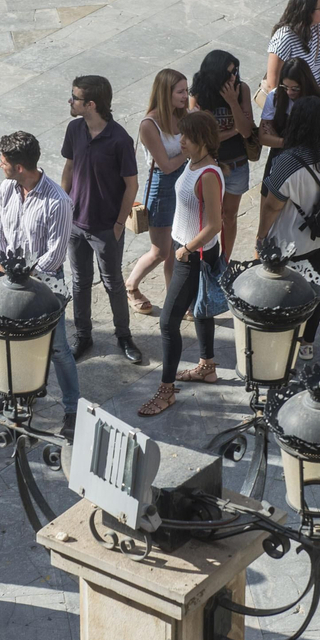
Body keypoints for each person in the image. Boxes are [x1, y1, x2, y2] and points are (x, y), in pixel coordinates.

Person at [0, 130, 80, 439]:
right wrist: (5, 271)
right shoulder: (6, 189)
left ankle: (72, 409)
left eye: (2, 161)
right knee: (14, 344)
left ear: (19, 166)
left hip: (45, 288)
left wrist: (22, 281)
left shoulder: (58, 201)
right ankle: (18, 395)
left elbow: (54, 257)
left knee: (57, 349)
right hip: (11, 283)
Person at [139, 110, 225, 417]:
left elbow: (215, 223)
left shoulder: (209, 175)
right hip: (188, 249)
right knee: (201, 310)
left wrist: (186, 248)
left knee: (167, 322)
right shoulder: (194, 163)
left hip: (193, 255)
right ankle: (208, 367)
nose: (181, 141)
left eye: (186, 137)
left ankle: (166, 392)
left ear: (201, 140)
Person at [61, 74, 143, 365]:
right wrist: (63, 209)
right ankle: (83, 335)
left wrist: (120, 223)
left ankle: (124, 336)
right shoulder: (74, 129)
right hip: (75, 224)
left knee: (113, 282)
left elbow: (131, 185)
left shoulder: (119, 139)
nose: (70, 102)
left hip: (107, 227)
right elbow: (69, 169)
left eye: (75, 98)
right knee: (80, 282)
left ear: (91, 104)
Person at [254, 97, 320, 361]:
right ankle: (308, 342)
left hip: (290, 241)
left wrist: (260, 237)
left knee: (287, 294)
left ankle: (286, 343)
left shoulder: (287, 161)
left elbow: (271, 207)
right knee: (317, 287)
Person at [126, 69, 187, 316]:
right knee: (161, 251)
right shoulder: (148, 125)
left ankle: (173, 300)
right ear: (166, 93)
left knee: (177, 249)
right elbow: (167, 165)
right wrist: (193, 151)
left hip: (184, 183)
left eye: (187, 90)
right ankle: (131, 286)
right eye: (180, 91)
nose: (186, 96)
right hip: (162, 187)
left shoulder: (183, 115)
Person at [188, 50, 256, 259]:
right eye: (228, 74)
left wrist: (233, 102)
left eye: (235, 71)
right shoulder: (198, 93)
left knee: (229, 216)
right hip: (209, 166)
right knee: (207, 217)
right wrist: (232, 130)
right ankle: (204, 255)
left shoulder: (241, 90)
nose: (233, 77)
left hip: (236, 164)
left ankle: (224, 260)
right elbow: (202, 137)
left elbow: (246, 131)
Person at [263, 0, 320, 106]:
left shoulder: (317, 28)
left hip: (313, 100)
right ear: (308, 12)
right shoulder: (284, 38)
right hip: (293, 106)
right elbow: (272, 84)